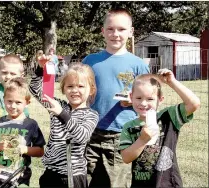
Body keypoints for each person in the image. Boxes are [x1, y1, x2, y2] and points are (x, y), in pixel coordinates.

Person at [82, 8, 150, 187]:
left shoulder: (138, 65)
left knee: (117, 183)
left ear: (131, 32)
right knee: (88, 181)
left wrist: (133, 102)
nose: (115, 34)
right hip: (90, 132)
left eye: (121, 29)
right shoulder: (90, 61)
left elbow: (149, 103)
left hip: (122, 134)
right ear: (102, 31)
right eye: (110, 29)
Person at [119, 69, 200, 187]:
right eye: (139, 98)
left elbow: (194, 104)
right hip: (142, 184)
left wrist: (172, 82)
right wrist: (142, 140)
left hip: (168, 183)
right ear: (131, 97)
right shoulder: (130, 127)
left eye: (150, 99)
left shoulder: (168, 117)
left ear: (160, 100)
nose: (143, 103)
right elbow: (126, 158)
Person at [29, 62, 99, 188]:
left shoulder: (91, 115)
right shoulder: (59, 106)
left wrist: (61, 114)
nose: (75, 90)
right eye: (70, 86)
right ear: (63, 89)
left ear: (91, 90)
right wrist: (41, 68)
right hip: (50, 174)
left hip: (72, 176)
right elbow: (35, 89)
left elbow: (81, 136)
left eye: (81, 86)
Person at [0, 77, 46, 188]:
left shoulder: (31, 124)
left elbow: (40, 151)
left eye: (18, 102)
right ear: (4, 99)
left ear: (27, 102)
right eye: (9, 101)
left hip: (20, 178)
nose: (13, 106)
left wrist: (24, 149)